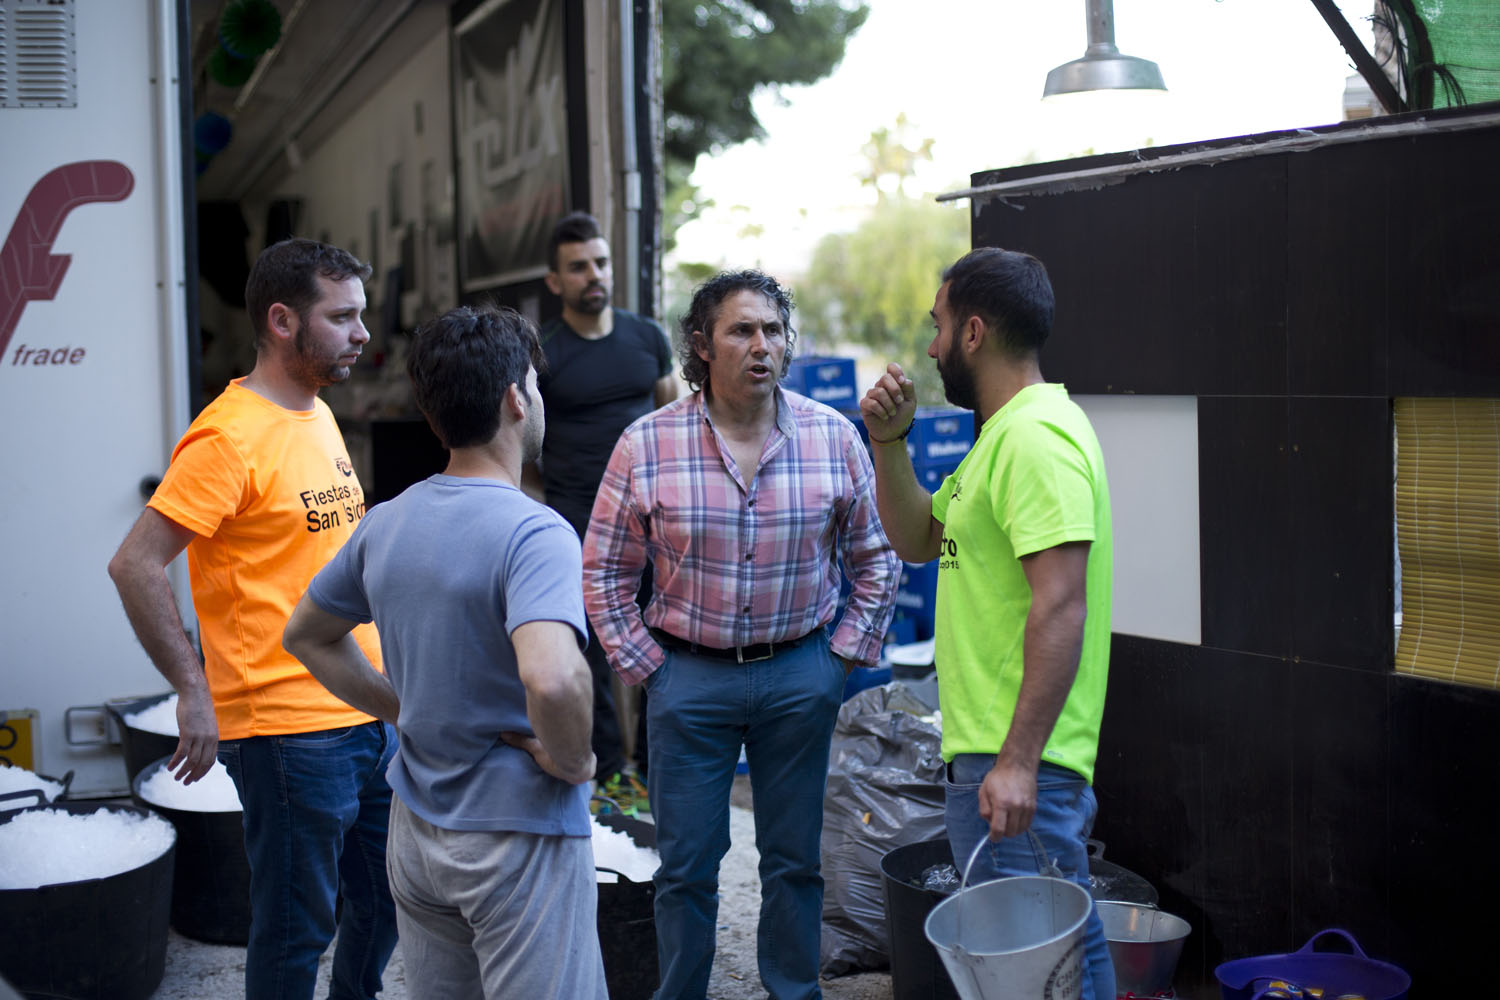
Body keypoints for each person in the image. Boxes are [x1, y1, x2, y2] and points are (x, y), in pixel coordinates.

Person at [583, 269, 899, 1000]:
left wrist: (842, 657)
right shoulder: (646, 445)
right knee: (688, 865)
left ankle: (793, 989)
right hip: (688, 678)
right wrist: (649, 669)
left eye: (773, 330)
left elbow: (876, 559)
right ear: (702, 345)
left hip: (800, 674)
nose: (762, 345)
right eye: (741, 330)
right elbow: (603, 570)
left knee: (794, 860)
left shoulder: (833, 437)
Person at [281, 305, 607, 999]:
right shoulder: (536, 533)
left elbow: (304, 634)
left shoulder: (386, 522)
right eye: (535, 386)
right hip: (516, 839)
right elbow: (552, 678)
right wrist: (575, 760)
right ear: (517, 398)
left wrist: (404, 708)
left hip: (416, 833)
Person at [107, 238, 399, 1000]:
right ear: (281, 320)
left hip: (366, 708)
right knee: (298, 927)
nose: (363, 333)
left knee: (387, 901)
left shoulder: (319, 415)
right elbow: (135, 563)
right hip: (285, 732)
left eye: (361, 315)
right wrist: (190, 686)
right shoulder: (226, 436)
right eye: (342, 317)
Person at [858, 247, 1116, 1000]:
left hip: (1020, 760)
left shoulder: (1037, 440)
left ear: (973, 332)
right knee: (1054, 955)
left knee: (1044, 964)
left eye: (937, 327)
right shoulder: (997, 440)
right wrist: (890, 442)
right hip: (989, 755)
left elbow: (1062, 602)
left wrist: (1020, 761)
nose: (931, 347)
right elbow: (916, 540)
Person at [524, 210, 677, 813]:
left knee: (660, 645)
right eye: (579, 266)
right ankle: (614, 777)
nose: (595, 275)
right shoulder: (546, 353)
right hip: (577, 526)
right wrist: (558, 501)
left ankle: (660, 772)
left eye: (601, 262)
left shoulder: (646, 338)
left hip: (656, 529)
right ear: (555, 281)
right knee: (593, 653)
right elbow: (529, 450)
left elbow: (673, 422)